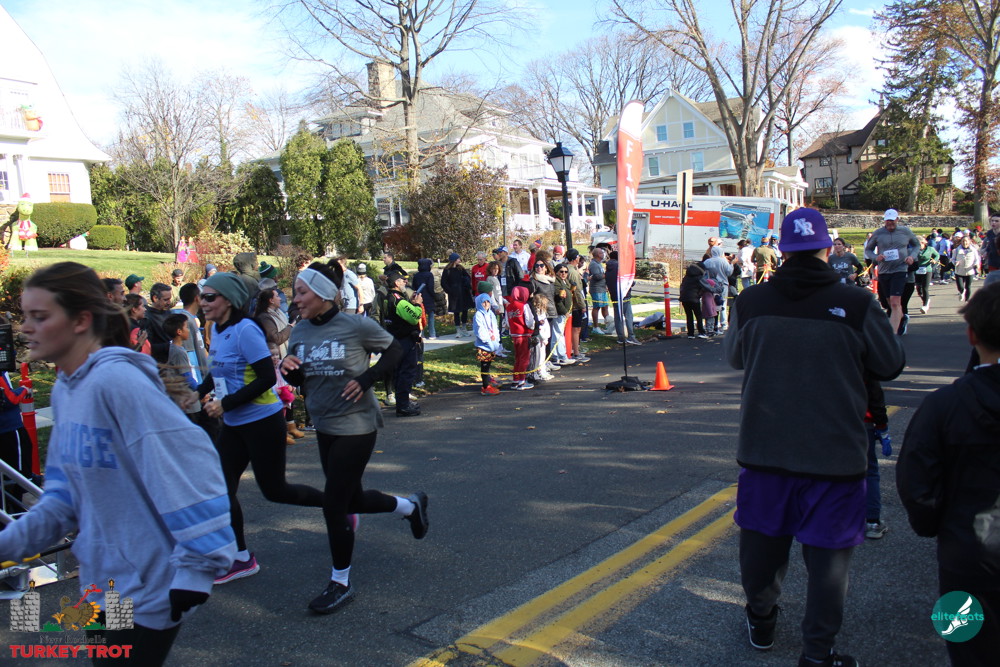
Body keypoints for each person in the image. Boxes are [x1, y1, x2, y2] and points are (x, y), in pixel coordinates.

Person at [1, 262, 235, 666]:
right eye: (26, 316)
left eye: (39, 316)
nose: (25, 329)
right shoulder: (66, 390)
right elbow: (62, 498)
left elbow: (190, 460)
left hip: (151, 587)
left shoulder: (117, 382)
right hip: (102, 584)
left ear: (80, 321)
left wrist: (198, 567)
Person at [724, 208, 904, 667]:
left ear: (782, 252)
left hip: (765, 449)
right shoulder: (857, 303)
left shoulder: (751, 301)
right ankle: (818, 652)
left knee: (761, 547)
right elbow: (890, 364)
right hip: (835, 453)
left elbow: (735, 358)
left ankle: (761, 619)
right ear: (827, 248)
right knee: (828, 560)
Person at [279, 261, 428, 614]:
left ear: (322, 294)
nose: (295, 299)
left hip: (357, 423)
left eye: (301, 292)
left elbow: (394, 350)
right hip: (324, 422)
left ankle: (340, 583)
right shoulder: (300, 331)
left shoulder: (355, 325)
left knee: (334, 504)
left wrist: (366, 379)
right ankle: (410, 507)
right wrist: (291, 371)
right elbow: (303, 378)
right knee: (352, 498)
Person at [197, 272, 325, 584]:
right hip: (234, 425)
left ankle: (339, 504)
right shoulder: (218, 329)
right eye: (202, 297)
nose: (203, 302)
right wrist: (196, 391)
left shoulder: (246, 330)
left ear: (229, 300)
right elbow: (218, 370)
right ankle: (240, 557)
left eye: (210, 297)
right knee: (221, 489)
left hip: (262, 422)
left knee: (275, 490)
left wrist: (225, 404)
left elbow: (268, 377)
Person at [897, 283, 1000, 667]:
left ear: (971, 335)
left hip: (965, 551)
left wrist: (933, 523)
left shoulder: (944, 405)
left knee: (964, 644)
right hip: (966, 545)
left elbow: (916, 480)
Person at [864, 208, 920, 333]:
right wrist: (876, 257)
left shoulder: (905, 231)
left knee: (895, 302)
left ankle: (892, 335)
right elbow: (868, 250)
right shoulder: (878, 233)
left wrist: (912, 256)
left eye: (892, 221)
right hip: (884, 271)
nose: (890, 223)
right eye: (887, 221)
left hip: (900, 269)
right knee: (888, 303)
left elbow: (917, 245)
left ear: (897, 219)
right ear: (884, 221)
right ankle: (902, 317)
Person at [384, 272, 424, 417]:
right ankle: (403, 405)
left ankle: (402, 402)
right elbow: (414, 317)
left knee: (399, 372)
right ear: (396, 283)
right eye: (402, 280)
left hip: (394, 339)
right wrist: (417, 305)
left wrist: (411, 304)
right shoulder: (398, 300)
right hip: (404, 340)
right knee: (406, 372)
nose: (405, 282)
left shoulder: (389, 297)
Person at [162, 313, 202, 420]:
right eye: (186, 327)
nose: (188, 330)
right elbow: (187, 377)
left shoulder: (174, 348)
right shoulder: (179, 352)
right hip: (188, 402)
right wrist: (200, 391)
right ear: (179, 331)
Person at [605, 250, 640, 345]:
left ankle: (620, 337)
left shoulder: (608, 268)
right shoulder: (620, 267)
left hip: (614, 295)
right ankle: (631, 336)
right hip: (624, 294)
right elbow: (629, 281)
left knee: (618, 317)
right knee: (628, 316)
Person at [473, 292, 502, 395]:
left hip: (492, 344)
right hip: (484, 345)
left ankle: (488, 383)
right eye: (483, 302)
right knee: (484, 366)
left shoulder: (491, 314)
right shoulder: (478, 315)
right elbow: (479, 330)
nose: (486, 304)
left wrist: (496, 340)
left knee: (488, 365)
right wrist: (487, 340)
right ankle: (485, 387)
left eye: (488, 302)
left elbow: (495, 327)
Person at [506, 285, 534, 390]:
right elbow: (529, 321)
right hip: (524, 334)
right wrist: (533, 327)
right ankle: (522, 381)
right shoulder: (524, 305)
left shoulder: (509, 306)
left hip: (514, 335)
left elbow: (507, 323)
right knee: (524, 358)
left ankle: (515, 380)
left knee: (517, 358)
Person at [441, 253, 473, 337]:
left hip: (464, 293)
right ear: (454, 260)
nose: (459, 260)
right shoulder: (447, 270)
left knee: (465, 310)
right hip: (454, 294)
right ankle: (458, 330)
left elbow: (468, 277)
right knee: (456, 312)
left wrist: (466, 283)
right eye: (458, 259)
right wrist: (450, 291)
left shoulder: (461, 268)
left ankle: (464, 328)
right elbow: (443, 282)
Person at [679, 261, 708, 339]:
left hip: (684, 298)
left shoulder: (686, 277)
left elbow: (682, 286)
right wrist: (699, 294)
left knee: (689, 316)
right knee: (698, 315)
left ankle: (690, 333)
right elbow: (704, 287)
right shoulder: (699, 277)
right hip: (694, 298)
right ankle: (701, 332)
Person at [411, 259, 437, 339]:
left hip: (419, 297)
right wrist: (434, 296)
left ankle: (421, 333)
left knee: (420, 316)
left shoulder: (416, 275)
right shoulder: (429, 275)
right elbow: (430, 287)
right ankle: (432, 333)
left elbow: (413, 287)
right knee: (431, 316)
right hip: (429, 297)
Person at [914, 236, 940, 314]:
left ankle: (925, 305)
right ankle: (926, 300)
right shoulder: (914, 250)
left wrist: (934, 260)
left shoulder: (930, 249)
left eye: (919, 244)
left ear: (923, 243)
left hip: (927, 270)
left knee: (925, 288)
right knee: (919, 290)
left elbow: (937, 255)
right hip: (917, 271)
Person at [952, 234, 981, 303]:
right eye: (963, 241)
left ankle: (967, 300)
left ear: (969, 241)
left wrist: (976, 264)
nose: (964, 243)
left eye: (966, 241)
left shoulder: (973, 250)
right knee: (960, 287)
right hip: (959, 271)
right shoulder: (957, 250)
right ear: (961, 242)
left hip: (969, 271)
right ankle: (962, 292)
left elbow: (977, 259)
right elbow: (953, 259)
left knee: (968, 286)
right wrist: (955, 263)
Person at [588, 248, 611, 334]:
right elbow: (597, 276)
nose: (603, 254)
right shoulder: (594, 264)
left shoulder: (599, 263)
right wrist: (607, 274)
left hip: (602, 288)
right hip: (597, 289)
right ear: (597, 254)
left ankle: (608, 325)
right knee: (597, 307)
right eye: (601, 252)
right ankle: (595, 327)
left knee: (605, 306)